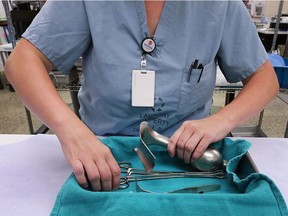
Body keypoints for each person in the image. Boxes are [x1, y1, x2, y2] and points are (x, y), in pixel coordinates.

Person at [4, 0, 279, 192]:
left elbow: (265, 79)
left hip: (187, 157)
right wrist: (70, 131)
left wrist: (222, 120)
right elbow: (22, 62)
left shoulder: (219, 5)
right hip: (102, 156)